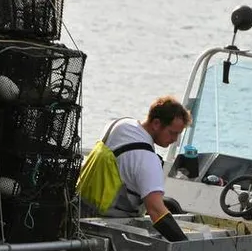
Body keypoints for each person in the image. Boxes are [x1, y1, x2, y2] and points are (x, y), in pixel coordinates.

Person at [77, 96, 191, 241]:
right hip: (108, 227)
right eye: (173, 133)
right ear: (156, 123)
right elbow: (156, 212)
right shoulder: (147, 160)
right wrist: (183, 244)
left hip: (80, 210)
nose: (175, 139)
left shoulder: (120, 124)